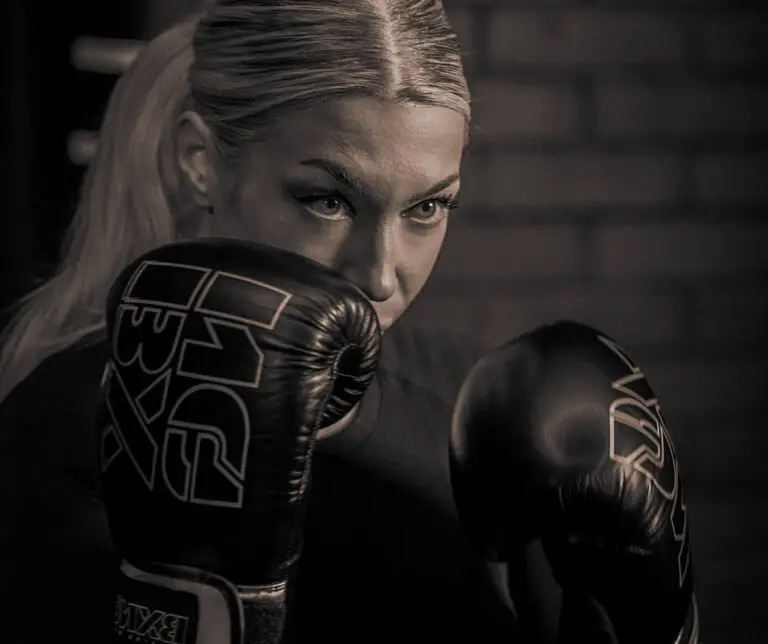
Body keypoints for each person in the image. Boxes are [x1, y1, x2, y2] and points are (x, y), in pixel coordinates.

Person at [0, 2, 697, 643]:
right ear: (201, 165)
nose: (380, 274)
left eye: (427, 208)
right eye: (328, 200)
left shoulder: (474, 407)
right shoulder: (69, 426)